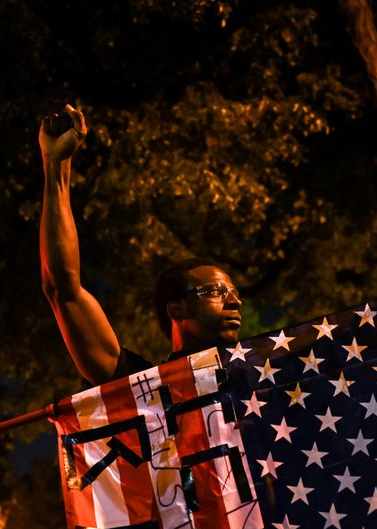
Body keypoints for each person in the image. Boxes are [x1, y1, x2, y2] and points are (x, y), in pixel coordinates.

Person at [38, 104, 244, 386]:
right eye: (216, 291)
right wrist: (56, 167)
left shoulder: (270, 382)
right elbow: (63, 289)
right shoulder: (140, 387)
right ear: (177, 309)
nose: (235, 301)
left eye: (232, 292)